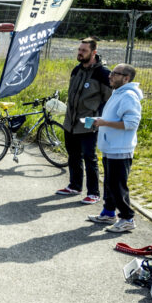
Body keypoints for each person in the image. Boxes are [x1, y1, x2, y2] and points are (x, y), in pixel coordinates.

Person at [87, 64, 143, 233]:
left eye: (115, 74)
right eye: (111, 72)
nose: (110, 76)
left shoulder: (128, 96)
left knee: (117, 185)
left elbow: (132, 123)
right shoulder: (117, 93)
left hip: (120, 148)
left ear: (126, 78)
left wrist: (104, 123)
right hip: (110, 147)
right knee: (110, 184)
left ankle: (127, 218)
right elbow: (112, 118)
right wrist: (99, 120)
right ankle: (108, 213)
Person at [57, 37, 111, 204]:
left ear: (93, 52)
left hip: (89, 124)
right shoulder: (76, 70)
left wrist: (98, 118)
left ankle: (94, 192)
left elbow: (109, 100)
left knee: (89, 157)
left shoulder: (103, 74)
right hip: (71, 123)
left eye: (84, 51)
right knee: (73, 155)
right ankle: (75, 185)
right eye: (79, 50)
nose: (80, 53)